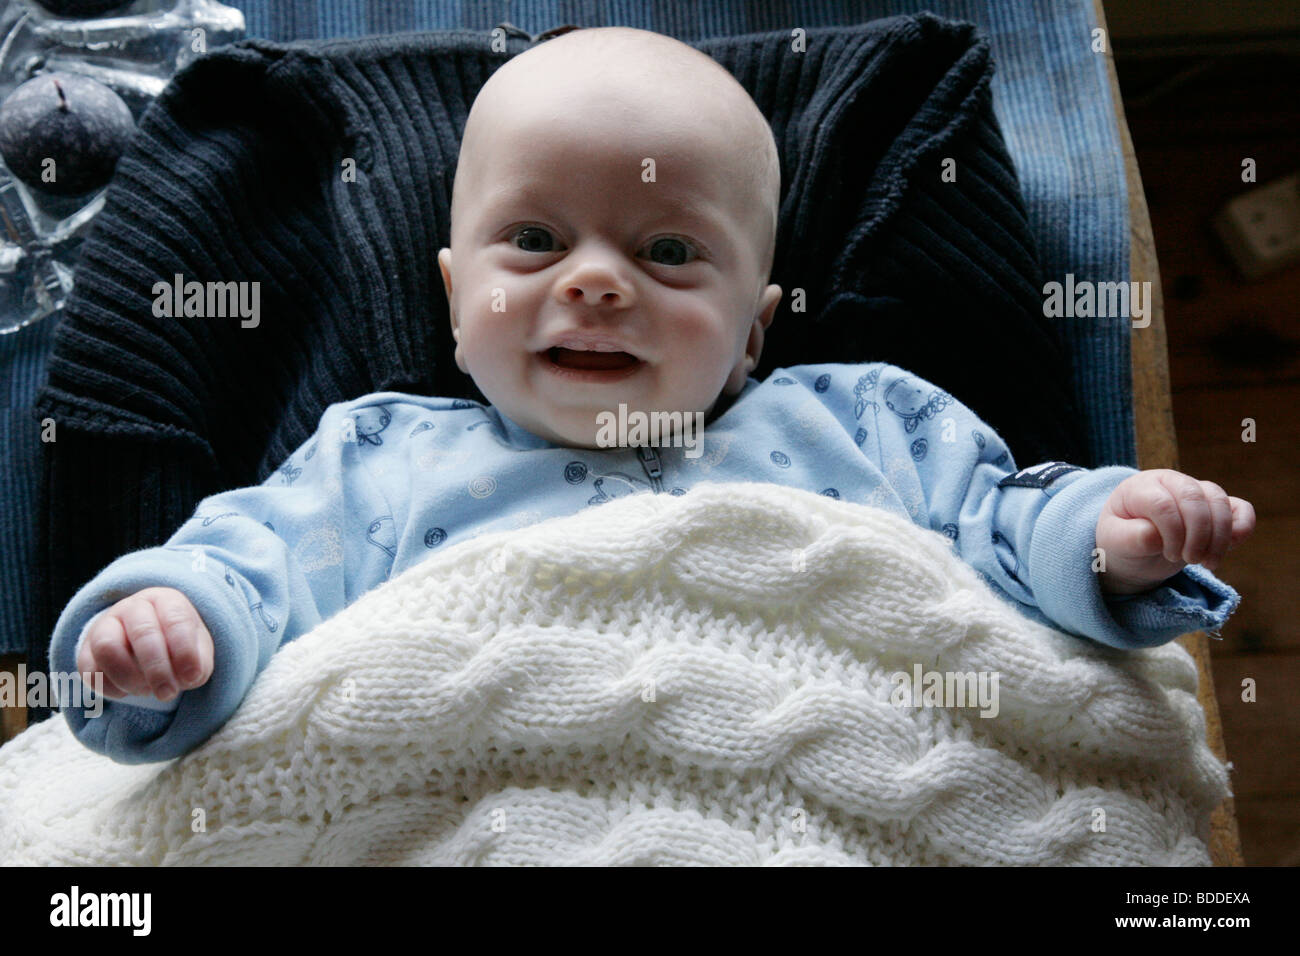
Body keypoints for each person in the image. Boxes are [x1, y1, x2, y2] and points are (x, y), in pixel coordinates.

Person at [51, 27, 1255, 764]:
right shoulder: (376, 457)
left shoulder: (863, 422)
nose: (594, 281)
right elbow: (246, 570)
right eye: (533, 239)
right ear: (453, 299)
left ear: (754, 331)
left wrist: (1112, 539)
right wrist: (168, 625)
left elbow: (1010, 519)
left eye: (669, 253)